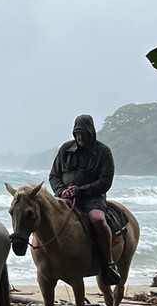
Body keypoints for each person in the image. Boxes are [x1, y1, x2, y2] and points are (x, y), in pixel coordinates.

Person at [49, 114, 120, 284]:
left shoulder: (103, 152)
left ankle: (108, 263)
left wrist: (81, 190)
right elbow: (54, 175)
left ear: (91, 132)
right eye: (77, 134)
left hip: (92, 197)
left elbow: (105, 181)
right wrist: (61, 191)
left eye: (83, 134)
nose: (79, 137)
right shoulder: (65, 149)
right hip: (65, 197)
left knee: (97, 220)